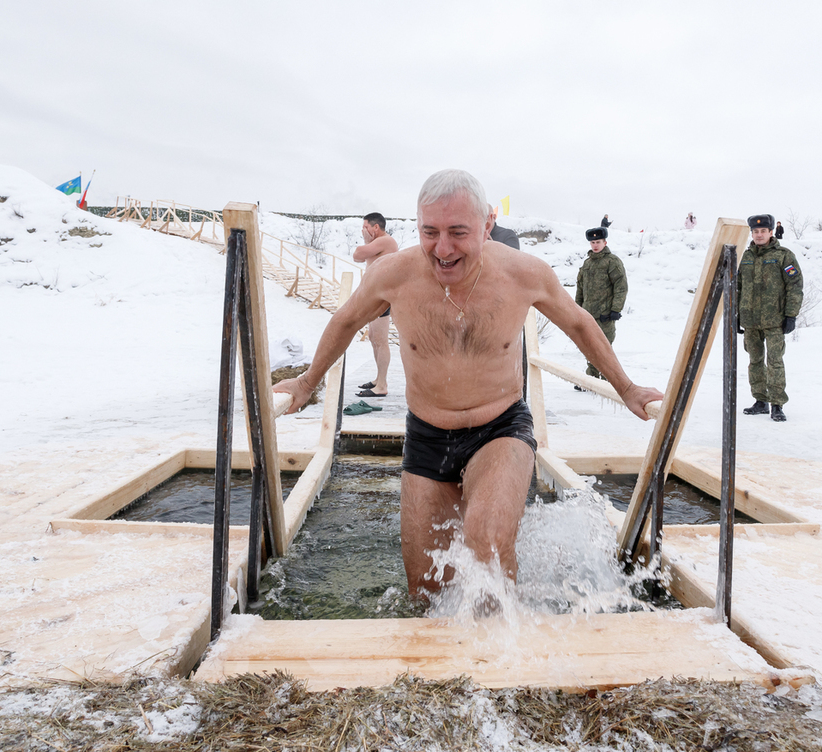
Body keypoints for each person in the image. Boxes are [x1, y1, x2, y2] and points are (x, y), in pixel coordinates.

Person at [274, 170, 664, 599]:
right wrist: (307, 382)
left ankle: (501, 657)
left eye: (458, 232)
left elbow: (578, 322)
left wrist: (627, 388)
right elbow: (346, 320)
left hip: (500, 428)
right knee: (424, 587)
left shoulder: (523, 273)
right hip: (426, 434)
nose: (442, 249)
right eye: (430, 232)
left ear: (486, 226)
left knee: (488, 545)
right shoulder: (394, 275)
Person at [737, 214, 802, 422]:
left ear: (771, 232)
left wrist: (791, 314)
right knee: (754, 361)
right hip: (750, 321)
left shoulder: (784, 256)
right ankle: (761, 401)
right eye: (755, 231)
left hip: (775, 320)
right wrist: (736, 316)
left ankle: (777, 404)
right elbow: (736, 287)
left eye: (763, 231)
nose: (759, 235)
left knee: (775, 362)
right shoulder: (744, 257)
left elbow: (795, 286)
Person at [351, 212, 399, 397]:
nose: (364, 231)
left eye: (365, 227)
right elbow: (358, 258)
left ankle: (382, 386)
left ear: (375, 228)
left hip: (382, 296)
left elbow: (358, 254)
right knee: (373, 338)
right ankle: (379, 379)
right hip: (374, 295)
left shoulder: (386, 241)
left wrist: (365, 241)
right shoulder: (377, 244)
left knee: (380, 339)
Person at [574, 226, 628, 382]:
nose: (595, 245)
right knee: (589, 347)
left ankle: (608, 380)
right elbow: (580, 288)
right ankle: (592, 380)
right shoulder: (587, 264)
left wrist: (615, 309)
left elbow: (621, 286)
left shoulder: (612, 262)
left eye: (598, 242)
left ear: (605, 242)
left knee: (605, 349)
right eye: (592, 242)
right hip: (587, 315)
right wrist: (577, 308)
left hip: (605, 316)